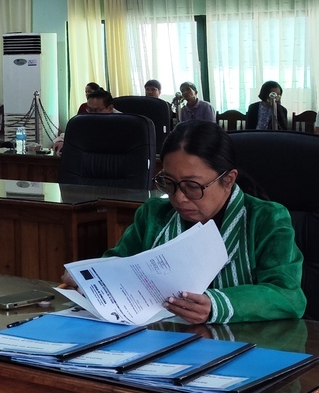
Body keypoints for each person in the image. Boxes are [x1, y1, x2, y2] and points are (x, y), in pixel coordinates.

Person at [101, 121, 306, 324]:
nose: (179, 198)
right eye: (169, 183)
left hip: (244, 339)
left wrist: (216, 304)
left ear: (228, 180)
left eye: (192, 186)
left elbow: (287, 295)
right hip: (161, 334)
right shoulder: (154, 214)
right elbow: (116, 266)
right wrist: (97, 280)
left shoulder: (266, 219)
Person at [53, 88, 119, 153]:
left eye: (96, 110)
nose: (91, 114)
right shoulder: (85, 118)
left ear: (110, 108)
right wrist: (61, 141)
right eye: (89, 110)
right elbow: (72, 133)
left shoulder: (121, 123)